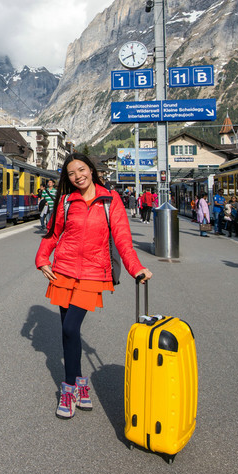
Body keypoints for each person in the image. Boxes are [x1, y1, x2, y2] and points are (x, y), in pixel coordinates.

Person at [36, 152, 151, 419]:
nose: (78, 176)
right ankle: (79, 385)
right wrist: (42, 258)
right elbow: (54, 233)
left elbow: (122, 238)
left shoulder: (111, 200)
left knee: (69, 326)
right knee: (69, 334)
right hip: (63, 270)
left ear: (91, 169)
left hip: (92, 273)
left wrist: (136, 268)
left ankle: (68, 389)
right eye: (72, 173)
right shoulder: (66, 201)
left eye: (82, 169)